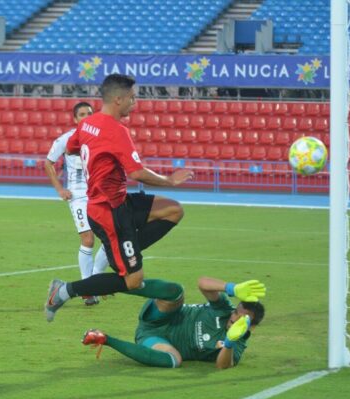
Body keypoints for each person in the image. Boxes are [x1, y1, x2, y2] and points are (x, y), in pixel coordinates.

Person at [45, 74, 194, 322]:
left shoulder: (86, 124)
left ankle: (127, 250)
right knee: (133, 281)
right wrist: (170, 180)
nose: (135, 103)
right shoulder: (117, 131)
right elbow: (136, 172)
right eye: (132, 98)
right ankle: (63, 291)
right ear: (118, 99)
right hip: (108, 212)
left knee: (173, 210)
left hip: (119, 200)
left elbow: (72, 147)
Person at [82, 278, 265, 369]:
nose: (233, 318)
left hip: (153, 340)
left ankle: (105, 339)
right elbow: (202, 283)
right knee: (176, 292)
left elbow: (222, 365)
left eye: (241, 318)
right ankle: (116, 284)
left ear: (252, 326)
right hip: (160, 317)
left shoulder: (237, 346)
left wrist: (229, 342)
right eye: (236, 312)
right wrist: (231, 288)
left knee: (174, 361)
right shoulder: (223, 309)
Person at [45, 101, 108, 306]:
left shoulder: (101, 137)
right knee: (88, 240)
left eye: (89, 113)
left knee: (110, 238)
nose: (86, 117)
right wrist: (60, 190)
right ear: (75, 119)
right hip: (79, 196)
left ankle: (95, 281)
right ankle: (87, 289)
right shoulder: (66, 139)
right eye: (82, 114)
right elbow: (48, 162)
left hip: (99, 194)